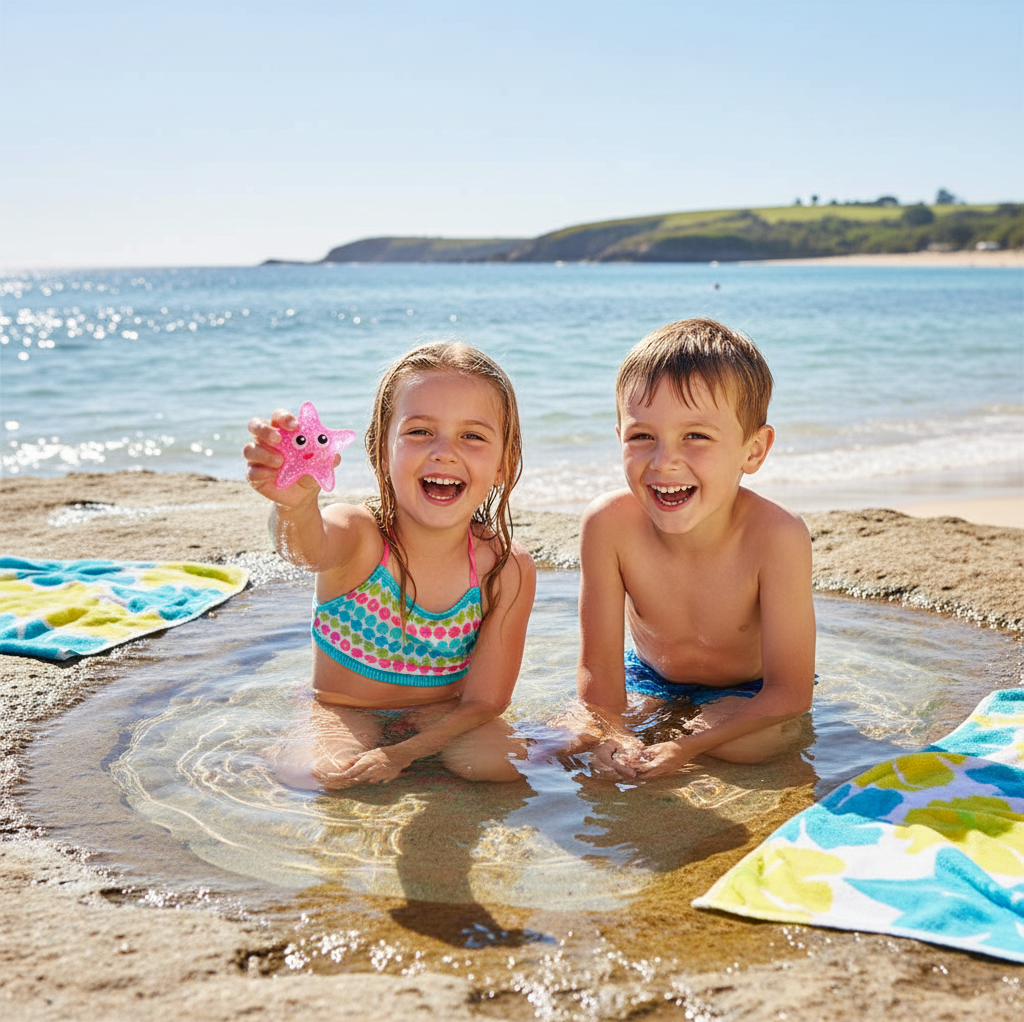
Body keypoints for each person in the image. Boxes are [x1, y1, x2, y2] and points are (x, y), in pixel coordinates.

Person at [244, 342, 536, 789]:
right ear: (382, 450)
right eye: (419, 432)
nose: (444, 451)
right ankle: (287, 742)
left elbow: (484, 702)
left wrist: (401, 755)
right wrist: (295, 507)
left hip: (444, 712)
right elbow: (306, 550)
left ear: (504, 463)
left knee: (501, 767)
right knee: (321, 775)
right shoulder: (358, 535)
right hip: (343, 708)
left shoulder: (505, 569)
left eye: (472, 436)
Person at [572, 318, 815, 778]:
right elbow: (599, 669)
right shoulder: (608, 525)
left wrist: (686, 746)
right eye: (642, 436)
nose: (665, 462)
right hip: (648, 680)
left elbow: (791, 691)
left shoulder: (776, 535)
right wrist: (615, 732)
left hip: (748, 690)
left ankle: (688, 737)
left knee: (748, 746)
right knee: (567, 742)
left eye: (696, 436)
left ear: (754, 450)